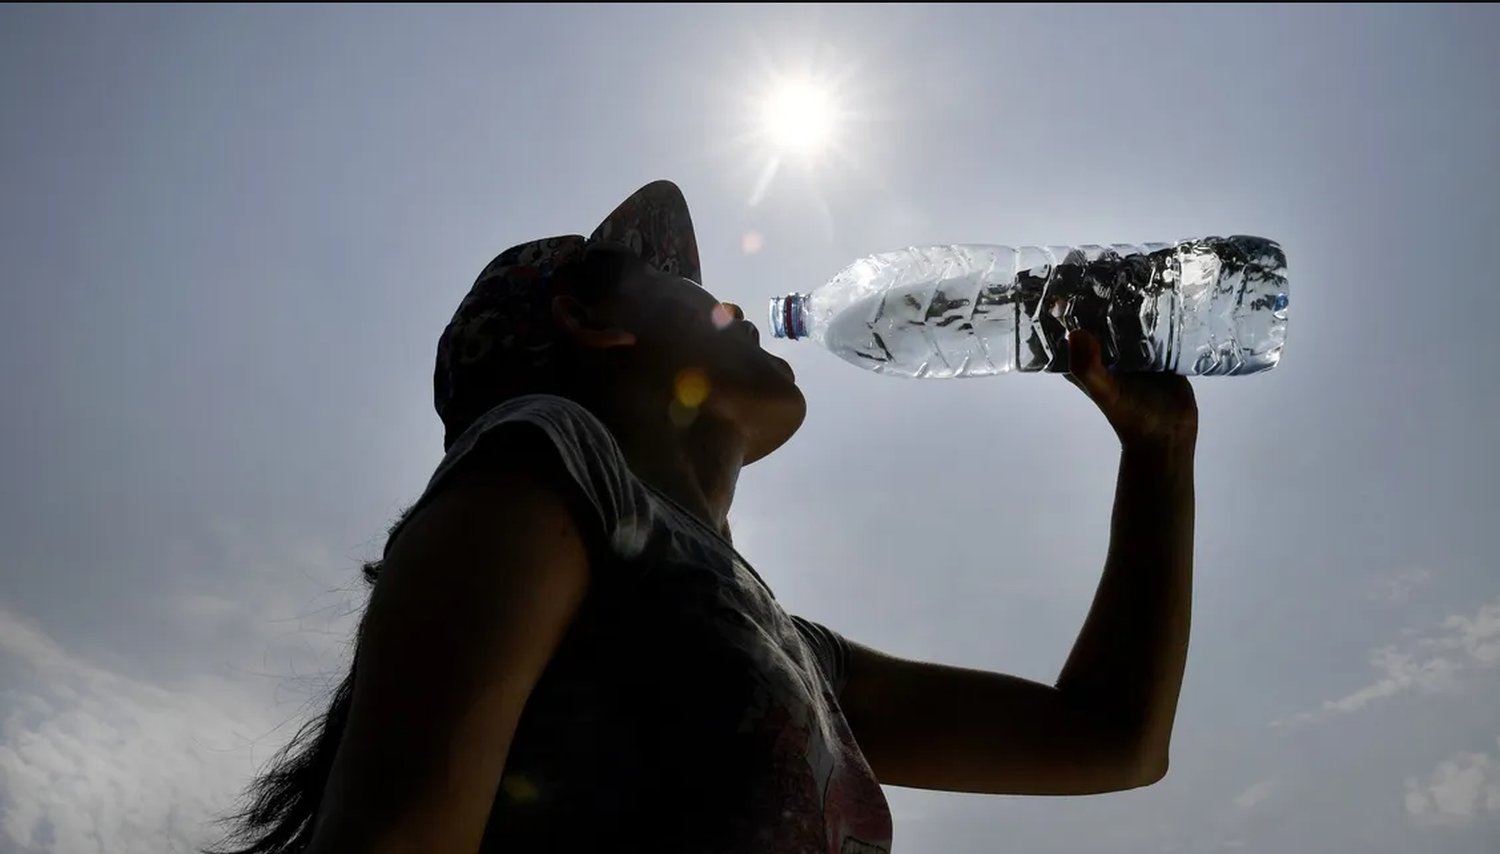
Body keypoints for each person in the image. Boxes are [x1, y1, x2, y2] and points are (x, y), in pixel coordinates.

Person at [210, 180, 1198, 854]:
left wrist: (1158, 453)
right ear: (596, 323)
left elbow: (1111, 739)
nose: (739, 306)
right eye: (697, 291)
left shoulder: (783, 642)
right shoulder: (546, 461)